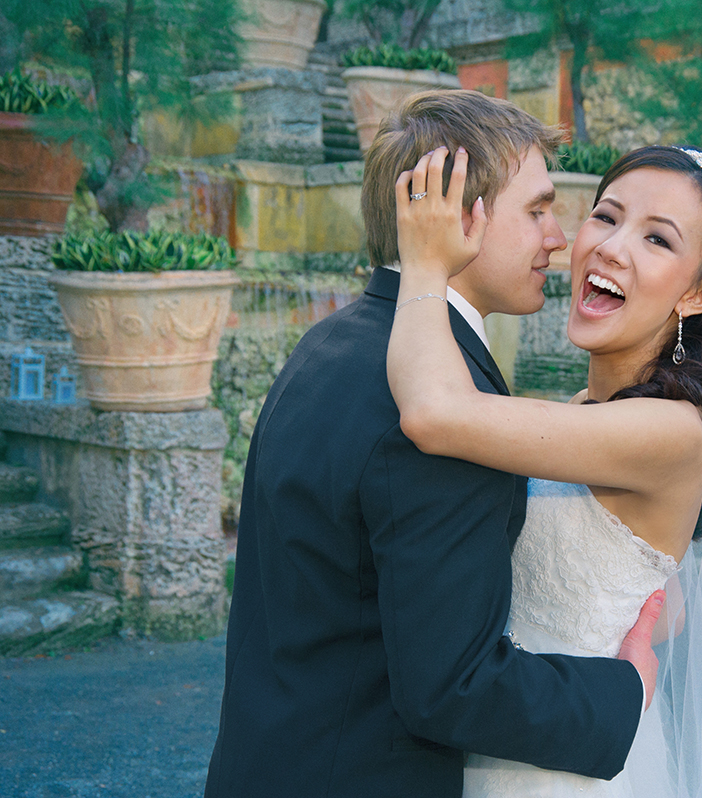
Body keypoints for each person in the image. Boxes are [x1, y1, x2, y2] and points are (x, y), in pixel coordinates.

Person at [204, 90, 665, 798]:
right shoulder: (444, 409)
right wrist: (622, 692)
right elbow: (452, 687)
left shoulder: (328, 344)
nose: (561, 238)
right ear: (456, 216)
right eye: (538, 209)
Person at [387, 143, 702, 797]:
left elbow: (432, 413)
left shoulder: (670, 432)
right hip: (518, 729)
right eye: (607, 216)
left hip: (565, 773)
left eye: (656, 239)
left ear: (700, 292)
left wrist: (423, 265)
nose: (612, 247)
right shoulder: (586, 415)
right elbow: (645, 588)